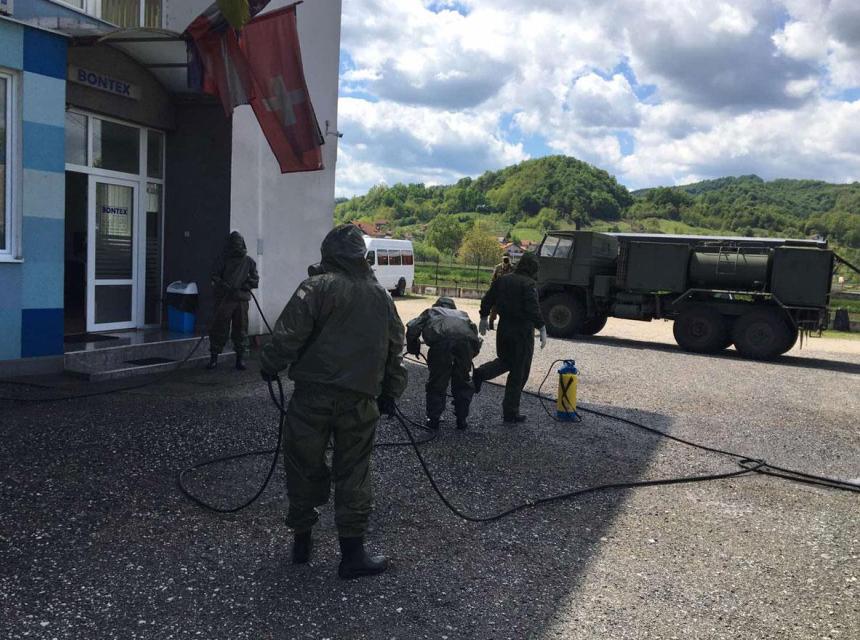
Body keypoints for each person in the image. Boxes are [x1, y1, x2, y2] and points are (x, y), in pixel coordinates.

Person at [259, 224, 408, 580]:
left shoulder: (316, 287)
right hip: (360, 400)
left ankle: (302, 541)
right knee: (354, 471)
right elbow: (395, 349)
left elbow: (287, 336)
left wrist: (269, 365)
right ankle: (352, 555)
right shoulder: (382, 296)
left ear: (328, 253)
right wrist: (390, 392)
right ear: (361, 256)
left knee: (303, 464)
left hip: (312, 397)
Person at [472, 252, 547, 423]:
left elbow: (488, 298)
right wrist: (542, 327)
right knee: (519, 371)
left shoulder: (503, 280)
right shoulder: (528, 284)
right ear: (533, 268)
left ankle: (481, 373)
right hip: (522, 332)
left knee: (505, 361)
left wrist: (484, 317)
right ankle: (510, 412)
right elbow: (532, 308)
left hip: (504, 328)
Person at [406, 297, 481, 431]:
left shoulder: (431, 311)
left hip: (441, 344)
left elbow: (412, 328)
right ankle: (461, 420)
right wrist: (469, 356)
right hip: (465, 344)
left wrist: (413, 348)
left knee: (437, 381)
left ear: (437, 305)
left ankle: (433, 419)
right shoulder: (463, 314)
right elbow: (475, 338)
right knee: (463, 382)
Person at [207, 231, 259, 371]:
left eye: (239, 243)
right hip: (225, 299)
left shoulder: (248, 261)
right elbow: (214, 276)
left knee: (241, 329)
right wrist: (223, 285)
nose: (237, 245)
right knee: (219, 328)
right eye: (234, 243)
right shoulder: (223, 259)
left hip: (241, 301)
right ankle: (214, 357)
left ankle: (240, 359)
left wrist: (246, 284)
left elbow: (255, 279)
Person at [488, 255, 513, 330]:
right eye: (504, 259)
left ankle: (506, 327)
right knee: (494, 310)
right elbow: (493, 279)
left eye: (507, 260)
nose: (505, 262)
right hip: (498, 292)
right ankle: (491, 324)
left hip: (508, 293)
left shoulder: (512, 268)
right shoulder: (498, 268)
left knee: (507, 311)